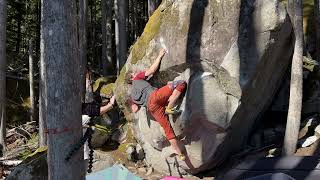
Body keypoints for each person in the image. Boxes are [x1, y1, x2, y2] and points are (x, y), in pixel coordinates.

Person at [125, 48, 187, 160]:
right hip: (155, 96)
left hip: (152, 109)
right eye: (134, 73)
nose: (136, 73)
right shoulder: (138, 78)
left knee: (168, 130)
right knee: (180, 83)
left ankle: (180, 154)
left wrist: (131, 103)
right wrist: (160, 55)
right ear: (132, 77)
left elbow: (135, 110)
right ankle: (169, 107)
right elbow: (151, 71)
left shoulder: (133, 95)